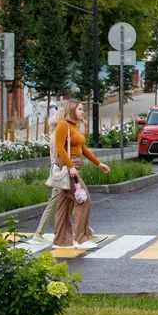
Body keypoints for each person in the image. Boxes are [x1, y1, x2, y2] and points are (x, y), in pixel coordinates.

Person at [52, 99, 110, 249]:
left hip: (74, 166)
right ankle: (81, 239)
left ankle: (61, 241)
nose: (82, 111)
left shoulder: (75, 127)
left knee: (64, 204)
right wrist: (70, 166)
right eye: (79, 109)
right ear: (71, 110)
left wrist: (99, 163)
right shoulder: (63, 125)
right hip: (68, 167)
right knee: (83, 199)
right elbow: (60, 147)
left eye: (82, 109)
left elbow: (83, 149)